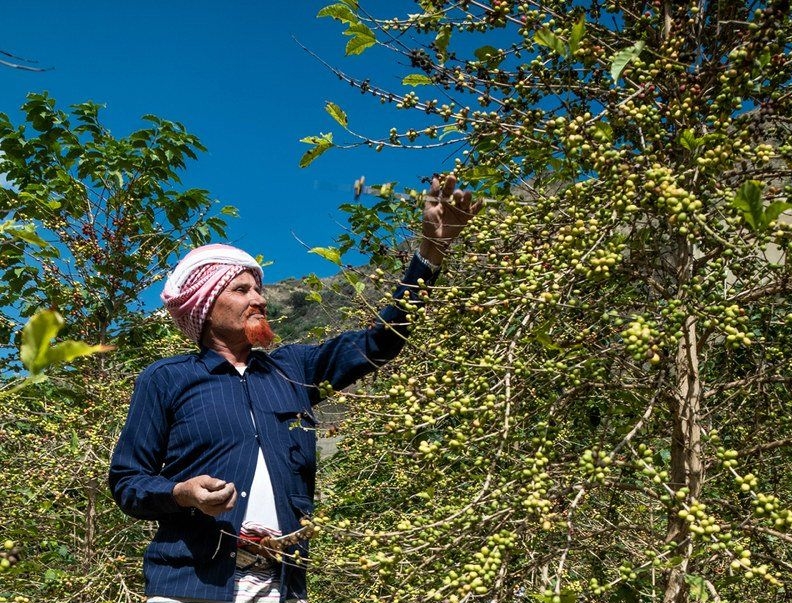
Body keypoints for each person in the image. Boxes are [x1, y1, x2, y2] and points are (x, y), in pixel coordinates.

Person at [109, 174, 481, 603]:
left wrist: (431, 254)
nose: (260, 299)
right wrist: (181, 493)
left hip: (281, 587)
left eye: (260, 289)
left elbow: (382, 341)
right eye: (242, 289)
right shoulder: (167, 378)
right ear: (207, 307)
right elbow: (127, 482)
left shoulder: (293, 370)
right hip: (191, 587)